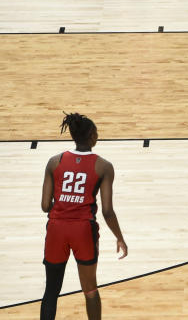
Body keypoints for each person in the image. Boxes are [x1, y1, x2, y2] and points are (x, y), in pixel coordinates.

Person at [40, 113, 128, 320]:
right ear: (91, 136)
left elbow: (45, 205)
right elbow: (107, 211)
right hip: (83, 230)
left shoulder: (54, 162)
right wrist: (120, 237)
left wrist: (65, 205)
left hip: (56, 229)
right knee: (89, 289)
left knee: (51, 291)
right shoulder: (104, 166)